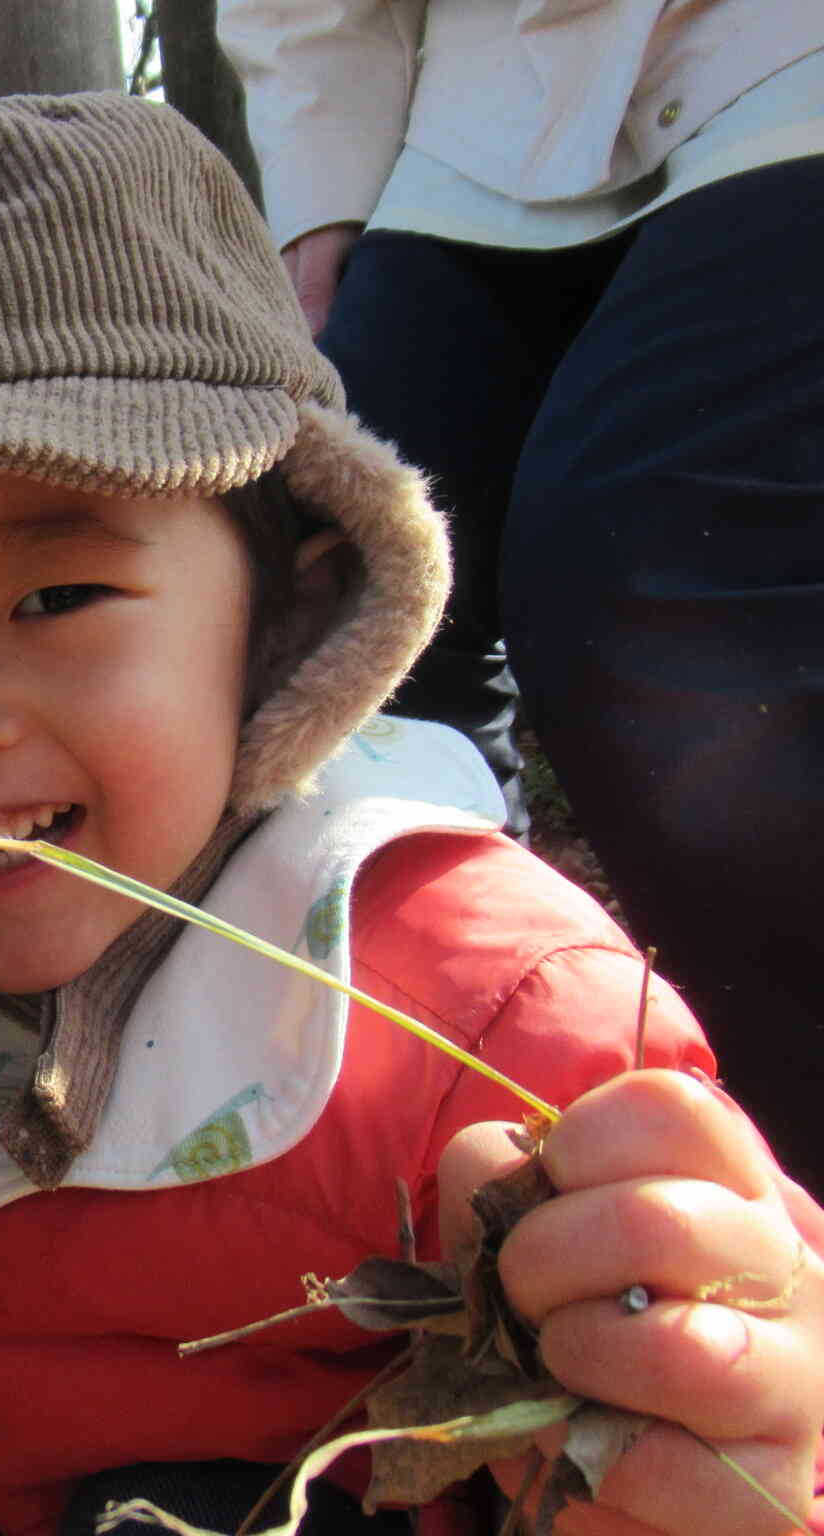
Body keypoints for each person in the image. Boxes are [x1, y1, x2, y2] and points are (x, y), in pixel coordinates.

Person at [0, 94, 824, 1534]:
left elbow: (722, 1401)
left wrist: (728, 1435)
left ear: (288, 610)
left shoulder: (511, 1019)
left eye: (58, 597)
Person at [218, 3, 824, 1191]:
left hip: (781, 63)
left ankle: (786, 1190)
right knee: (327, 593)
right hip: (469, 131)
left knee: (655, 578)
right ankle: (479, 1091)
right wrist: (324, 195)